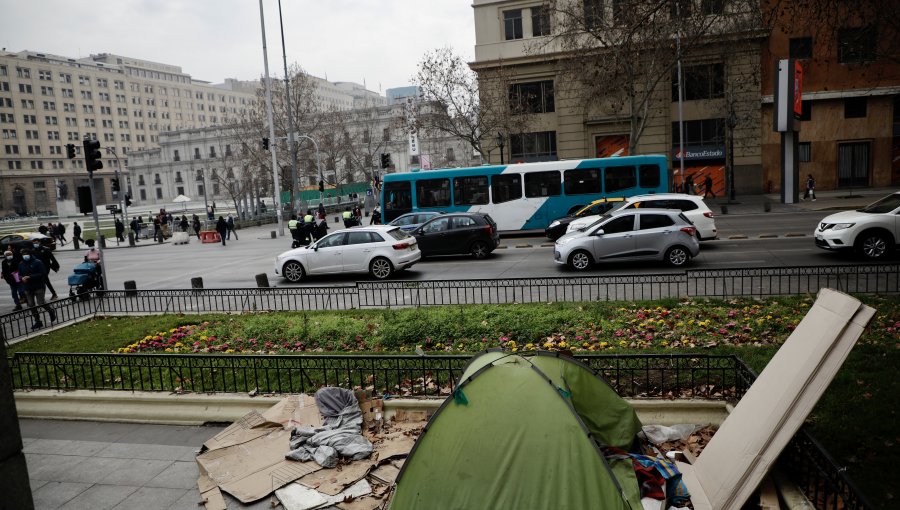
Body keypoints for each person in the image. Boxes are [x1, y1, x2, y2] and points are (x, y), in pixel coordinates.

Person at [18, 247, 56, 330]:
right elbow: (19, 274)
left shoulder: (37, 262)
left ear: (30, 254)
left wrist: (30, 277)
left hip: (38, 286)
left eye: (26, 254)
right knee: (31, 305)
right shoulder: (21, 264)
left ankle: (50, 311)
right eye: (23, 255)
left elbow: (43, 273)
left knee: (41, 302)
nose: (25, 256)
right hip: (27, 287)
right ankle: (37, 321)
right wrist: (22, 278)